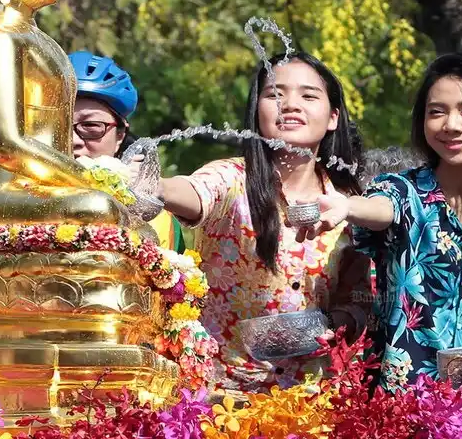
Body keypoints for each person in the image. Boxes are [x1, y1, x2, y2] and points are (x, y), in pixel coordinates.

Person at [301, 53, 462, 390]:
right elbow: (382, 210)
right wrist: (347, 206)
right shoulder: (403, 191)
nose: (451, 125)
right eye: (437, 111)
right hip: (404, 407)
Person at [153, 51, 372, 396]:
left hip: (312, 402)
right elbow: (192, 191)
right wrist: (154, 186)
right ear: (257, 113)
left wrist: (335, 325)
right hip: (222, 399)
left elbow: (359, 296)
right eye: (275, 94)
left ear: (332, 118)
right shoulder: (230, 178)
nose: (290, 105)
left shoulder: (347, 203)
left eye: (308, 95)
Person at [0, 51, 185, 253]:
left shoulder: (160, 221)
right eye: (58, 128)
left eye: (91, 127)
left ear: (120, 136)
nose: (73, 140)